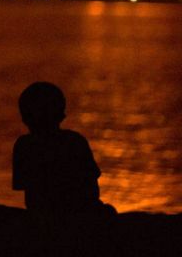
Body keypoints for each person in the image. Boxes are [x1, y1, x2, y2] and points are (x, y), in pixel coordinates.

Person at [10, 81, 113, 214]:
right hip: (80, 215)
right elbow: (92, 192)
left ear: (25, 118)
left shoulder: (24, 146)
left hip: (44, 218)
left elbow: (31, 198)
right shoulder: (75, 141)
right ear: (61, 116)